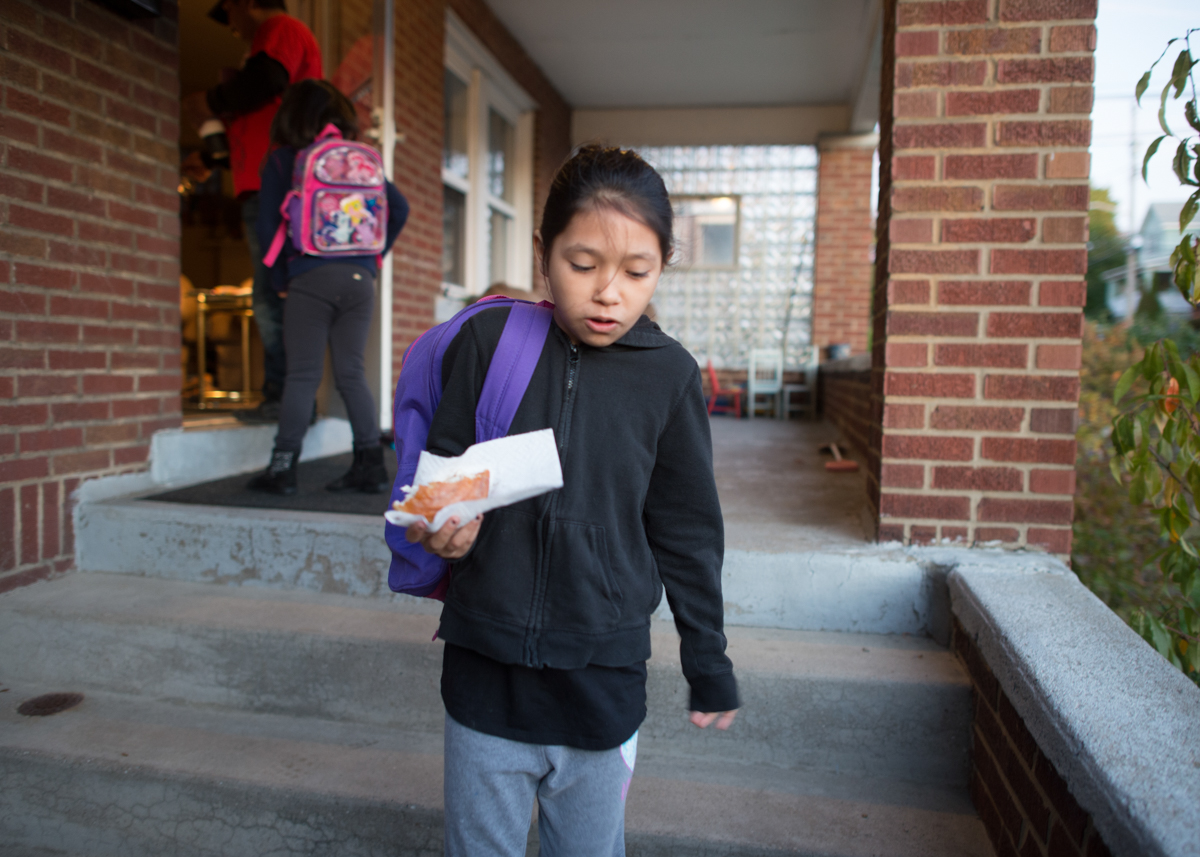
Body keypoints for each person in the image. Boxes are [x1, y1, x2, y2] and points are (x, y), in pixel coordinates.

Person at [405, 145, 739, 856]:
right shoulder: (489, 343)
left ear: (663, 266)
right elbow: (442, 481)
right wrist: (443, 528)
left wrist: (706, 658)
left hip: (602, 677)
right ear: (543, 253)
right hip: (483, 668)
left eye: (636, 271)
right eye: (582, 264)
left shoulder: (671, 377)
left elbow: (686, 530)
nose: (607, 291)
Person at [247, 80, 409, 495]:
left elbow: (268, 226)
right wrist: (372, 258)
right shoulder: (359, 161)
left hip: (311, 275)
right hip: (360, 280)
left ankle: (282, 469)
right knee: (351, 372)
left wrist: (281, 279)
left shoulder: (284, 160)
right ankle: (370, 466)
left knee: (302, 375)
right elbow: (400, 207)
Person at [182, 0, 322, 423]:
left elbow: (265, 79)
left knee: (271, 295)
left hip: (274, 190)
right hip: (260, 188)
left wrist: (209, 101)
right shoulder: (273, 38)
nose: (234, 30)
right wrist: (214, 159)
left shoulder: (280, 27)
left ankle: (285, 399)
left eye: (230, 17)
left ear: (243, 4)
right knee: (270, 295)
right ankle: (286, 398)